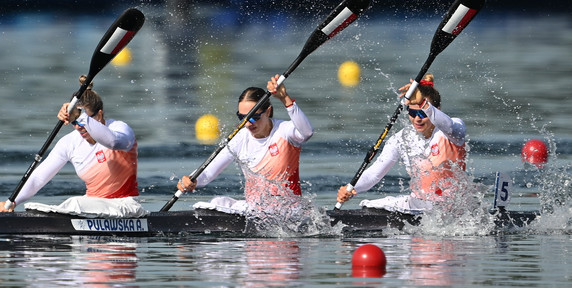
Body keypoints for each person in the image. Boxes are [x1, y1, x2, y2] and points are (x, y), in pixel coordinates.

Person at [0, 75, 139, 213]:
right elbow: (39, 178)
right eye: (73, 122)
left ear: (99, 115)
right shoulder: (69, 143)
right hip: (90, 206)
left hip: (125, 205)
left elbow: (113, 142)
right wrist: (12, 202)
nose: (78, 127)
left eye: (81, 121)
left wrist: (79, 116)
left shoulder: (119, 128)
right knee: (46, 206)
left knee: (74, 203)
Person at [175, 74, 315, 212]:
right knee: (217, 202)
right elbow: (209, 171)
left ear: (268, 111)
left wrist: (285, 98)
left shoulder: (284, 131)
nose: (247, 124)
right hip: (255, 210)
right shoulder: (239, 138)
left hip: (289, 211)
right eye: (242, 117)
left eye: (254, 117)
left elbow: (307, 132)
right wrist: (192, 180)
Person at [337, 73, 468, 213]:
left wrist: (425, 104)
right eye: (412, 112)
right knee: (368, 206)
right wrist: (351, 188)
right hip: (419, 205)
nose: (417, 119)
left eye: (423, 113)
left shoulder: (452, 130)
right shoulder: (401, 139)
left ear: (437, 110)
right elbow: (374, 174)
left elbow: (449, 126)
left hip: (453, 208)